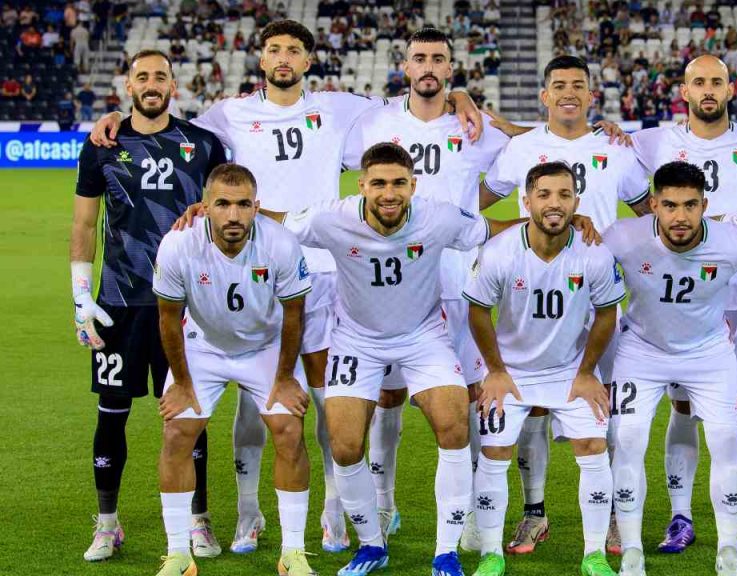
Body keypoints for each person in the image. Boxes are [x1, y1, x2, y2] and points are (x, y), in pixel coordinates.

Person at [89, 20, 485, 556]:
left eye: (293, 50)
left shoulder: (340, 107)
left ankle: (332, 513)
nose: (283, 58)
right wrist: (118, 118)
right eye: (273, 49)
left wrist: (461, 97)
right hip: (254, 266)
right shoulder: (228, 113)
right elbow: (162, 123)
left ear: (307, 60)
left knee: (326, 399)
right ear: (261, 59)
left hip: (322, 272)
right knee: (255, 402)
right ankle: (248, 513)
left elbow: (416, 98)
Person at [280, 143, 579, 576]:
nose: (389, 193)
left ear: (413, 185)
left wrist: (560, 222)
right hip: (357, 340)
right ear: (361, 185)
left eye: (398, 183)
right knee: (343, 444)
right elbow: (274, 222)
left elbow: (492, 229)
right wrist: (208, 213)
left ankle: (445, 552)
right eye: (378, 183)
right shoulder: (331, 217)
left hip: (424, 337)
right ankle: (371, 545)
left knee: (454, 425)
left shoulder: (437, 217)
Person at [341, 28, 511, 541]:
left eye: (439, 58)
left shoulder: (475, 126)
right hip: (391, 286)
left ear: (450, 68)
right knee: (387, 397)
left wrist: (598, 129)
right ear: (406, 66)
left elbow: (537, 142)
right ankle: (384, 503)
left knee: (473, 397)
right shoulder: (375, 122)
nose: (429, 66)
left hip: (457, 283)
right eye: (420, 58)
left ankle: (473, 515)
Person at [479, 54, 650, 555]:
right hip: (534, 295)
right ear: (545, 95)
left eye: (578, 84)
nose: (569, 92)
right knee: (531, 407)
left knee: (604, 406)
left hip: (599, 297)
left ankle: (612, 515)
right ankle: (534, 514)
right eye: (559, 85)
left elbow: (648, 213)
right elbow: (478, 202)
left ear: (592, 94)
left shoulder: (615, 148)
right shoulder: (521, 148)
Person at [627, 53, 737, 554]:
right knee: (683, 408)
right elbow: (579, 139)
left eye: (716, 82)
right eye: (698, 82)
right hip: (687, 301)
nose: (707, 90)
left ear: (730, 88)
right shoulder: (653, 142)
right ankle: (680, 516)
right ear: (684, 90)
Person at [71, 49, 227, 563]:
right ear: (129, 85)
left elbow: (227, 210)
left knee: (187, 415)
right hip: (119, 303)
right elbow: (83, 224)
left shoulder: (204, 144)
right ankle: (107, 524)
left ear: (174, 86)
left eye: (161, 76)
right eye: (143, 76)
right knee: (111, 414)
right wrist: (80, 297)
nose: (152, 83)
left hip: (185, 304)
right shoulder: (102, 145)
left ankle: (198, 520)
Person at [152, 164, 316, 576]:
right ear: (205, 206)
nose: (233, 215)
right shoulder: (178, 244)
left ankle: (293, 553)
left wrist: (284, 378)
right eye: (223, 204)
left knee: (289, 430)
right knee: (177, 432)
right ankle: (179, 555)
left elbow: (294, 314)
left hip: (265, 348)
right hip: (202, 346)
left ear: (256, 207)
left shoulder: (280, 244)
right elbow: (168, 318)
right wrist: (182, 383)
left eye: (243, 205)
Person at [602, 161, 737, 576]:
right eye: (670, 205)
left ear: (705, 206)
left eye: (690, 205)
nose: (680, 216)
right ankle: (632, 551)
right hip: (642, 349)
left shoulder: (732, 245)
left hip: (709, 353)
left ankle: (727, 550)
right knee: (628, 438)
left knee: (725, 441)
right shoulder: (622, 237)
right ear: (654, 205)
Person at [464, 162, 624, 576]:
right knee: (494, 452)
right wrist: (495, 370)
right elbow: (478, 311)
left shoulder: (593, 253)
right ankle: (491, 554)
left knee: (593, 448)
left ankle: (593, 555)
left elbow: (607, 313)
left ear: (576, 202)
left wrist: (586, 372)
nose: (555, 203)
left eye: (564, 195)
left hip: (570, 372)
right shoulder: (500, 252)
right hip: (512, 373)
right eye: (545, 194)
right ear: (527, 201)